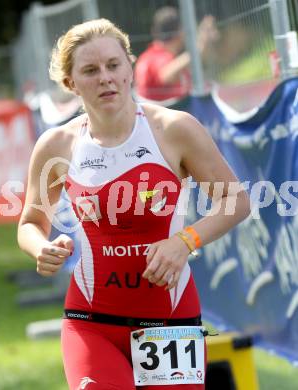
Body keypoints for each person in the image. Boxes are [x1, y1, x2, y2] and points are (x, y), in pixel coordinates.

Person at [17, 18, 250, 390]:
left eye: (113, 65)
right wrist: (41, 247)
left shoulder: (174, 129)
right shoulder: (56, 145)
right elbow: (30, 221)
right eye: (90, 70)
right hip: (91, 321)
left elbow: (235, 200)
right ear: (70, 83)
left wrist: (184, 240)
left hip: (170, 320)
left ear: (130, 68)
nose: (105, 77)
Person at [134, 6, 219, 101]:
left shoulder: (149, 56)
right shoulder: (159, 57)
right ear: (180, 32)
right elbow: (166, 75)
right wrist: (198, 48)